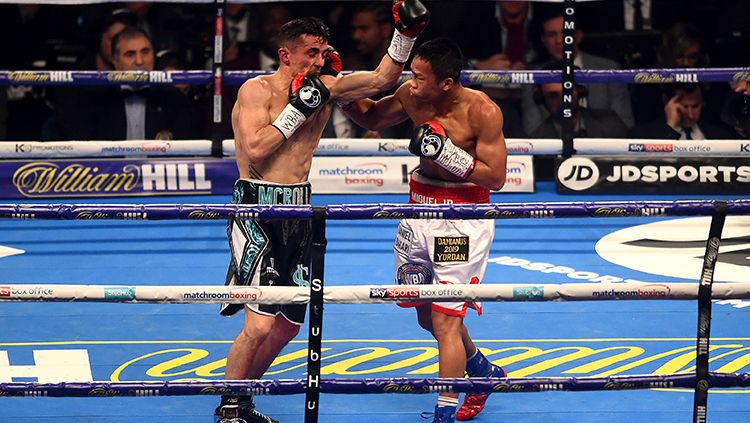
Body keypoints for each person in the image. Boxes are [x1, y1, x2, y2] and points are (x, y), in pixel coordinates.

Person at [216, 2, 430, 422]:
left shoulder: (326, 88)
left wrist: (406, 31)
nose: (319, 61)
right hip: (258, 206)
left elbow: (384, 78)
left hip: (299, 206)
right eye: (311, 53)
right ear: (286, 55)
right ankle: (229, 410)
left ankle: (238, 400)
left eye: (322, 52)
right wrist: (300, 107)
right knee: (258, 324)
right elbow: (257, 149)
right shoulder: (255, 91)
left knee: (288, 324)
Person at [342, 38, 507, 423]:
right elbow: (372, 118)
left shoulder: (482, 111)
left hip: (461, 218)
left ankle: (444, 412)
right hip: (417, 209)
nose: (411, 83)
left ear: (447, 83)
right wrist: (339, 90)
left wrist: (445, 152)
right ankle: (482, 373)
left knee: (446, 319)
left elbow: (496, 177)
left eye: (419, 77)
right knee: (423, 314)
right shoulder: (412, 96)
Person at [521, 7, 634, 135]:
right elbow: (532, 130)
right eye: (551, 34)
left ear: (578, 36)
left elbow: (625, 123)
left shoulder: (609, 69)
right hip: (553, 149)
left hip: (604, 148)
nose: (559, 41)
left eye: (565, 34)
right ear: (543, 40)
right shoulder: (533, 76)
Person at [84, 26, 197, 140]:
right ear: (115, 62)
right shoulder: (97, 100)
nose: (139, 61)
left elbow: (185, 148)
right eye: (130, 54)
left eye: (145, 52)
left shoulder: (173, 97)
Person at [529, 61, 628, 139]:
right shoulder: (536, 141)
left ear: (580, 91)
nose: (563, 100)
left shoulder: (611, 124)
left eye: (567, 92)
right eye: (553, 96)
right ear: (542, 99)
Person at [629, 83, 735, 140]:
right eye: (684, 106)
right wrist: (670, 127)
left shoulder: (721, 136)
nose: (690, 115)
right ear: (667, 101)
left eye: (695, 106)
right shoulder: (642, 136)